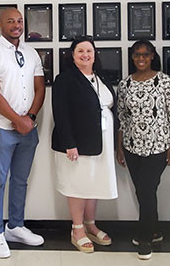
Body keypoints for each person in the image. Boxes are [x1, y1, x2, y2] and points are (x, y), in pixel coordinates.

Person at [0, 7, 46, 259]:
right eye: (10, 21)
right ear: (0, 25)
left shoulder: (30, 52)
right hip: (0, 128)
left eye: (19, 21)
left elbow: (40, 88)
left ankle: (15, 226)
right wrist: (16, 120)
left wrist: (30, 118)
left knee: (20, 179)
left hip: (28, 127)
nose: (16, 25)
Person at [51, 35, 118, 254]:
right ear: (72, 55)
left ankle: (91, 224)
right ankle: (77, 229)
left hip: (101, 142)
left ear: (94, 54)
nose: (85, 55)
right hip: (76, 144)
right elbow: (61, 114)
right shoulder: (65, 79)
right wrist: (69, 143)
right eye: (80, 51)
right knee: (77, 185)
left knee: (94, 183)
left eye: (89, 50)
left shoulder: (100, 78)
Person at [116, 39, 170, 260]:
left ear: (153, 56)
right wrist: (120, 146)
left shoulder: (164, 81)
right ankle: (154, 230)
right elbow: (122, 117)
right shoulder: (125, 84)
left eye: (145, 54)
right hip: (132, 147)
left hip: (159, 146)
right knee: (143, 190)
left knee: (146, 190)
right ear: (132, 57)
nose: (141, 58)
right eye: (137, 54)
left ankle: (145, 239)